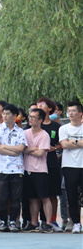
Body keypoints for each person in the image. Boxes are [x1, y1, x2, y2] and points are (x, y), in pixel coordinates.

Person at [0, 103, 27, 232]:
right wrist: (13, 151)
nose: (4, 116)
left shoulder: (20, 131)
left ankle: (13, 221)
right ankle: (2, 221)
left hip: (17, 168)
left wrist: (4, 147)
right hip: (1, 168)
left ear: (15, 116)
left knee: (15, 197)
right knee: (1, 197)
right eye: (3, 114)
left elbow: (20, 148)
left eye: (7, 114)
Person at [22, 108, 53, 232]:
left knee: (44, 197)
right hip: (27, 169)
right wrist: (33, 149)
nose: (30, 119)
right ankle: (33, 223)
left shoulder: (44, 135)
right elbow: (21, 149)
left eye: (33, 117)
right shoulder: (25, 133)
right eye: (30, 116)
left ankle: (48, 223)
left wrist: (28, 150)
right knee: (32, 198)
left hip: (40, 170)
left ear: (40, 120)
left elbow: (41, 153)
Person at [37, 97, 63, 231]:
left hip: (51, 162)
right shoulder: (33, 124)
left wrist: (55, 148)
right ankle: (37, 221)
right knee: (38, 194)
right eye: (37, 104)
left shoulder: (56, 127)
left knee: (52, 193)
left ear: (50, 108)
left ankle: (52, 221)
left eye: (42, 104)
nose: (39, 106)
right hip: (36, 163)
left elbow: (62, 144)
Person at [60, 101, 83, 234]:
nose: (70, 113)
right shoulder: (64, 129)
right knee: (72, 196)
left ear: (80, 113)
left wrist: (73, 141)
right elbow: (64, 145)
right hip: (69, 165)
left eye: (73, 111)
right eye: (69, 111)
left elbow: (69, 143)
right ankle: (76, 223)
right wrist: (79, 143)